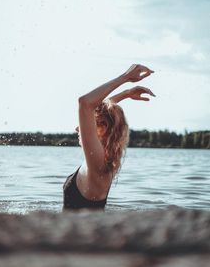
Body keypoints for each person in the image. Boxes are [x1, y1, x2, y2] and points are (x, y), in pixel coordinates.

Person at [63, 64, 155, 210]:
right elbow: (102, 112)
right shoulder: (102, 159)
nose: (77, 128)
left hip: (82, 232)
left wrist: (125, 77)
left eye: (86, 124)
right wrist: (125, 94)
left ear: (103, 128)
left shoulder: (98, 163)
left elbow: (86, 104)